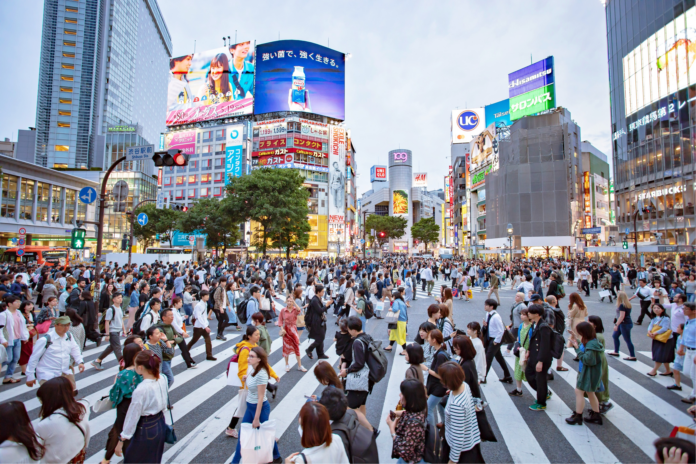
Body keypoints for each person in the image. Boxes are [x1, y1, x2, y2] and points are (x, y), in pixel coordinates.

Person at [114, 351, 169, 463]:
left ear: (140, 368)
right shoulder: (163, 378)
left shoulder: (141, 389)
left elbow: (133, 415)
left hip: (146, 425)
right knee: (154, 458)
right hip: (160, 421)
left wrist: (122, 438)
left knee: (133, 460)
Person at [231, 347, 282, 464]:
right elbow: (250, 380)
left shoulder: (262, 374)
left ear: (259, 359)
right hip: (250, 406)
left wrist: (256, 418)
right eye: (249, 355)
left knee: (265, 434)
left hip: (260, 408)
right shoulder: (251, 369)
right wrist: (246, 378)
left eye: (251, 357)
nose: (248, 358)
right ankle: (235, 461)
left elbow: (260, 398)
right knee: (243, 434)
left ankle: (277, 457)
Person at [34, 376, 91, 463]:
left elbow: (36, 451)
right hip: (78, 455)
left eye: (42, 400)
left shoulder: (46, 424)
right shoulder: (82, 408)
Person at [103, 343, 143, 463]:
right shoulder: (142, 371)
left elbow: (115, 393)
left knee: (123, 432)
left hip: (125, 405)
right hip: (139, 403)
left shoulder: (123, 374)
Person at [439, 361, 484, 463]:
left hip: (462, 450)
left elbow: (458, 437)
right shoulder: (464, 385)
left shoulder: (457, 404)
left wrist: (452, 460)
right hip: (471, 438)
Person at [25, 315, 84, 390]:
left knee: (70, 395)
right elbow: (34, 358)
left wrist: (80, 362)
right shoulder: (45, 340)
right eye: (63, 325)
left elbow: (74, 348)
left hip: (65, 372)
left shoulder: (68, 336)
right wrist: (30, 376)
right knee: (52, 399)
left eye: (68, 325)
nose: (66, 328)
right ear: (55, 325)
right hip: (48, 374)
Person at [566, 322, 604, 426]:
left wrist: (577, 348)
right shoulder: (592, 341)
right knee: (590, 393)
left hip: (588, 372)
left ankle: (578, 416)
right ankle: (596, 415)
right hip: (590, 372)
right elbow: (584, 350)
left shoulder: (591, 344)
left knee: (579, 391)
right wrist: (576, 340)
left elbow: (587, 359)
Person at [340, 317, 375, 420]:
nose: (349, 332)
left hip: (361, 379)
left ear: (354, 330)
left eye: (349, 329)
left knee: (350, 407)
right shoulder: (367, 337)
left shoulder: (357, 342)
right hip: (369, 377)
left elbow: (359, 363)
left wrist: (347, 371)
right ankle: (364, 429)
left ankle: (369, 430)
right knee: (362, 405)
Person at [386, 379, 427, 464]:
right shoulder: (420, 407)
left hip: (412, 460)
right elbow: (410, 413)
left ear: (410, 398)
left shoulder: (413, 424)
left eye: (402, 394)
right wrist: (398, 413)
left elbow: (404, 451)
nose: (399, 395)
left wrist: (392, 429)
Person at [525, 304, 553, 411]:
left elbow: (545, 346)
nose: (528, 314)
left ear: (537, 314)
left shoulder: (544, 327)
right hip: (533, 356)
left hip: (541, 358)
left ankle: (541, 402)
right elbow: (532, 340)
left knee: (540, 379)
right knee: (529, 374)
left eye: (530, 313)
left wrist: (540, 361)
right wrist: (528, 351)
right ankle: (543, 392)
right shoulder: (535, 324)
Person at [92, 292, 127, 370]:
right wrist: (107, 334)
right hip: (113, 331)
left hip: (117, 331)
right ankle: (122, 364)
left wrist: (124, 330)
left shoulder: (119, 308)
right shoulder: (111, 309)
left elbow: (121, 320)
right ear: (113, 299)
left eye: (121, 297)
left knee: (112, 347)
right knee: (117, 348)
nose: (120, 299)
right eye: (118, 298)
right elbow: (107, 321)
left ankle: (97, 360)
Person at [482, 299, 512, 383]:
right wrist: (485, 325)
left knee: (488, 358)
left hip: (495, 339)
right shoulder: (488, 314)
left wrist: (496, 341)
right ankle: (508, 375)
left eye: (486, 305)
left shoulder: (496, 316)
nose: (484, 306)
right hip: (490, 338)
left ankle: (483, 377)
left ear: (491, 307)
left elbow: (501, 330)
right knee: (499, 358)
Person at [0, 295, 29, 384]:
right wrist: (2, 339)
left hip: (17, 338)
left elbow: (22, 326)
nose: (19, 303)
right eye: (16, 302)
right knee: (7, 359)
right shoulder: (3, 314)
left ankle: (8, 376)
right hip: (8, 340)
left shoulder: (19, 313)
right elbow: (0, 328)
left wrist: (24, 336)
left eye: (19, 302)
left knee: (16, 358)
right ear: (9, 304)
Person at [424, 328, 450, 426]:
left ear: (434, 340)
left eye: (429, 338)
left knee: (429, 408)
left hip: (439, 387)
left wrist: (426, 369)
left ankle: (431, 431)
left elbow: (439, 375)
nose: (428, 339)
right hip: (438, 386)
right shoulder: (438, 351)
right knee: (440, 405)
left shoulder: (440, 355)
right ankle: (445, 424)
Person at [587, 315, 612, 414]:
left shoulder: (597, 336)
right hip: (598, 360)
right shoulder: (594, 334)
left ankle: (603, 403)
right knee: (597, 383)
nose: (587, 323)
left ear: (595, 325)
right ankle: (597, 405)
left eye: (590, 322)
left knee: (599, 382)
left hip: (598, 361)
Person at [306, 284, 333, 360]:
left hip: (319, 320)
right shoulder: (315, 300)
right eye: (322, 291)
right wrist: (326, 305)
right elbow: (320, 310)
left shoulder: (318, 298)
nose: (323, 293)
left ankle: (320, 354)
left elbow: (321, 308)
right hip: (316, 321)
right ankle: (309, 349)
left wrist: (329, 304)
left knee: (320, 337)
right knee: (320, 337)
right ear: (318, 292)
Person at [278, 297, 306, 372]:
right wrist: (282, 328)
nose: (289, 303)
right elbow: (280, 320)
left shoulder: (294, 309)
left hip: (293, 329)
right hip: (286, 329)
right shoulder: (283, 310)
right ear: (286, 302)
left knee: (296, 346)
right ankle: (287, 364)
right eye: (288, 301)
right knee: (286, 347)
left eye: (291, 301)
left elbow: (299, 310)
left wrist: (294, 302)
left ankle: (300, 365)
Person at [187, 290, 216, 361]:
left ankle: (209, 355)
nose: (208, 297)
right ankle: (185, 351)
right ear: (202, 297)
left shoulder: (205, 304)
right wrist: (205, 326)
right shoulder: (198, 305)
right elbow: (198, 317)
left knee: (208, 340)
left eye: (208, 296)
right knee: (194, 340)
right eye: (206, 296)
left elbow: (203, 316)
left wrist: (206, 325)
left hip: (204, 325)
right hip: (198, 327)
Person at [607, 291, 636, 361]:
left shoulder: (622, 305)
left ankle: (632, 355)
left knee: (627, 340)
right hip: (626, 323)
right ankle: (616, 351)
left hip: (624, 324)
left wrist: (616, 325)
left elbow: (621, 316)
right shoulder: (627, 304)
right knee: (615, 336)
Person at [509, 308, 531, 397]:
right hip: (521, 351)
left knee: (530, 372)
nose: (521, 316)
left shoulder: (531, 327)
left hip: (528, 352)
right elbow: (518, 338)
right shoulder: (521, 325)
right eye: (521, 314)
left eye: (524, 314)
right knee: (518, 369)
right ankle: (519, 389)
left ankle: (543, 390)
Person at [647, 303, 674, 377]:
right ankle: (668, 371)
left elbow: (665, 328)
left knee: (659, 355)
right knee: (664, 355)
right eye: (655, 308)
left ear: (662, 310)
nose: (656, 309)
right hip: (657, 338)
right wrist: (649, 332)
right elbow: (650, 326)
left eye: (658, 308)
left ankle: (654, 371)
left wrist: (655, 333)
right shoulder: (654, 317)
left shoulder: (665, 318)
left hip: (665, 339)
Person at [386, 289, 408, 353]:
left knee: (400, 335)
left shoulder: (396, 302)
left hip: (398, 320)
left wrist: (391, 309)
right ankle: (390, 346)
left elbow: (395, 309)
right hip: (403, 320)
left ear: (395, 296)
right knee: (393, 333)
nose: (392, 298)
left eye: (393, 296)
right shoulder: (402, 302)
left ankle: (405, 350)